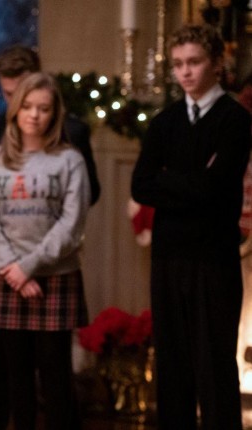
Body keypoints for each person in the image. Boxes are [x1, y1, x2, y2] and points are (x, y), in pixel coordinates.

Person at [0, 44, 100, 430]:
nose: (33, 114)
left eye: (43, 107)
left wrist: (28, 266)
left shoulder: (70, 153)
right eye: (23, 104)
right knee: (9, 372)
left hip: (53, 271)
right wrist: (12, 268)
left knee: (55, 374)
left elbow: (75, 217)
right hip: (5, 274)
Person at [131, 25, 251, 430]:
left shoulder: (234, 119)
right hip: (168, 256)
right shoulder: (164, 122)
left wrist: (170, 181)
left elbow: (216, 187)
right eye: (178, 64)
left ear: (216, 64)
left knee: (215, 365)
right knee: (173, 364)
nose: (185, 72)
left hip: (213, 257)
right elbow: (141, 185)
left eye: (194, 62)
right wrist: (193, 183)